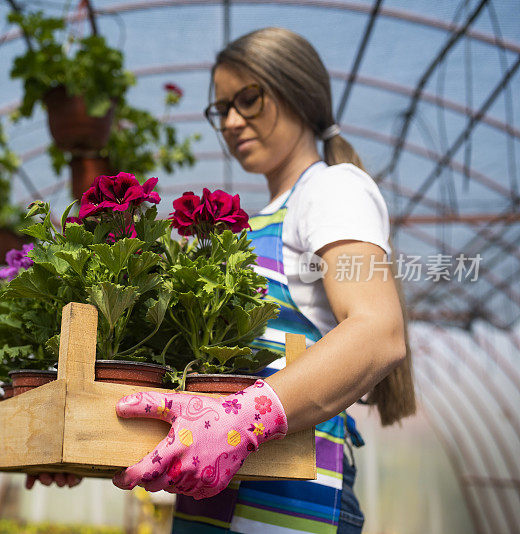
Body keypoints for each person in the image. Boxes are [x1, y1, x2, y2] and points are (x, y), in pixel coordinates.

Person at [28, 27, 416, 534]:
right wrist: (83, 439)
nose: (232, 121)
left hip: (293, 503)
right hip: (216, 500)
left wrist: (245, 418)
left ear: (298, 90)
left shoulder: (331, 189)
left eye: (248, 100)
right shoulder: (271, 216)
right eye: (221, 110)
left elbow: (378, 331)